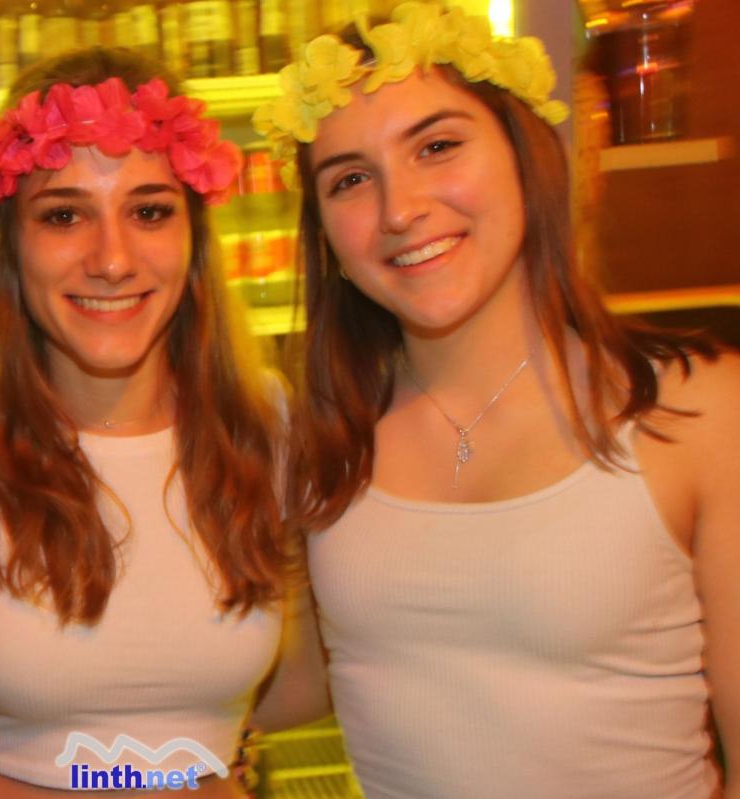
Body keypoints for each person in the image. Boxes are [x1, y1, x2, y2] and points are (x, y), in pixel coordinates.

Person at [254, 3, 739, 797]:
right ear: (326, 238)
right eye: (350, 179)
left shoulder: (698, 410)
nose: (400, 209)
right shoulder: (320, 439)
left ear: (524, 157)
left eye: (437, 146)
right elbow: (294, 683)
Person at [0, 46, 327, 798]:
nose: (112, 260)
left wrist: (191, 751)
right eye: (64, 216)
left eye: (149, 211)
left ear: (193, 241)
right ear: (10, 247)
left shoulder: (269, 425)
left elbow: (312, 675)